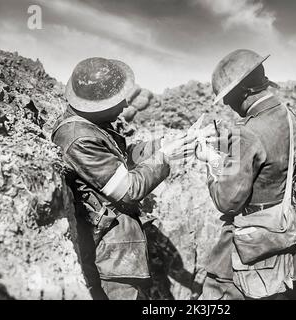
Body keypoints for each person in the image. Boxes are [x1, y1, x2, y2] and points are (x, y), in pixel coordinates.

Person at [51, 57, 212, 299]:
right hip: (110, 258)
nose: (125, 104)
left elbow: (122, 156)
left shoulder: (92, 126)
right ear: (96, 104)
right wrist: (165, 158)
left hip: (119, 249)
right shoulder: (78, 138)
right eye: (116, 100)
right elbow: (128, 190)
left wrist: (166, 143)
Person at [196, 49, 296, 300]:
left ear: (243, 92)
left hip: (246, 247)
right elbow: (271, 164)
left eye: (227, 97)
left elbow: (227, 200)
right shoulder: (291, 117)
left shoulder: (246, 133)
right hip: (282, 234)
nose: (226, 104)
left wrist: (212, 162)